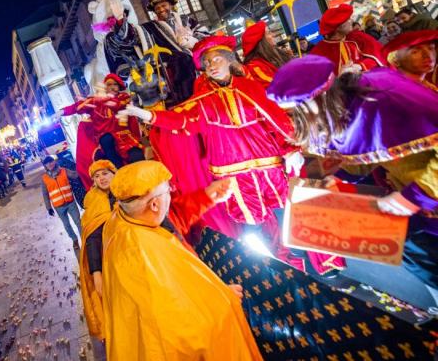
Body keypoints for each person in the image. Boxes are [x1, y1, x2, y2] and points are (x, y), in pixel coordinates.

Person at [119, 36, 347, 273]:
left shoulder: (249, 87)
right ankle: (280, 268)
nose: (211, 66)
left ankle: (310, 257)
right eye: (207, 63)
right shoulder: (203, 101)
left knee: (286, 212)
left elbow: (275, 120)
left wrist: (291, 150)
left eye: (216, 59)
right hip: (233, 174)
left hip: (268, 165)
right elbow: (182, 119)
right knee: (254, 224)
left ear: (230, 60)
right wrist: (147, 115)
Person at [267, 55, 438, 290]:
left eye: (298, 115)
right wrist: (341, 178)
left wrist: (414, 197)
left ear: (316, 102)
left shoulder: (383, 100)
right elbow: (369, 142)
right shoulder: (346, 100)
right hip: (414, 201)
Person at [101, 160, 261, 360]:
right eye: (168, 191)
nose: (171, 193)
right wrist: (221, 297)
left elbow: (169, 221)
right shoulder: (142, 252)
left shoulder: (124, 216)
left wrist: (206, 196)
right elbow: (182, 329)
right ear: (154, 204)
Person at [60, 74, 143, 168]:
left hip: (124, 137)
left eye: (114, 84)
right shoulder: (95, 101)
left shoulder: (123, 97)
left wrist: (106, 100)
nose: (111, 87)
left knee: (137, 156)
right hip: (104, 139)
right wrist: (62, 111)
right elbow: (78, 106)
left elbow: (120, 105)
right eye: (108, 84)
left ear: (119, 87)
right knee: (106, 142)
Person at [78, 160, 117, 341]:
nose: (101, 178)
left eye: (105, 173)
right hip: (111, 260)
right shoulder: (92, 201)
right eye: (96, 176)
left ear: (114, 173)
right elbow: (92, 239)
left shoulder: (128, 191)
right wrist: (96, 272)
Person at [310, 4, 384, 74]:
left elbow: (378, 56)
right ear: (338, 27)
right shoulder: (318, 52)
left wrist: (360, 66)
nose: (351, 21)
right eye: (348, 19)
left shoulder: (358, 37)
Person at [41, 156, 83, 249]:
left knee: (78, 222)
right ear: (45, 165)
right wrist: (49, 208)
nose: (50, 164)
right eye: (47, 163)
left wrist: (82, 165)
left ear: (54, 162)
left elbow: (75, 175)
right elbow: (45, 194)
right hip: (59, 206)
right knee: (67, 225)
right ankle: (74, 240)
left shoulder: (63, 171)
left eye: (51, 161)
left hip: (70, 202)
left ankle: (85, 239)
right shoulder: (44, 178)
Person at [241, 20, 291, 87]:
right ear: (262, 41)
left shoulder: (276, 54)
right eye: (268, 33)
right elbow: (278, 87)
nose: (273, 35)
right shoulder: (254, 67)